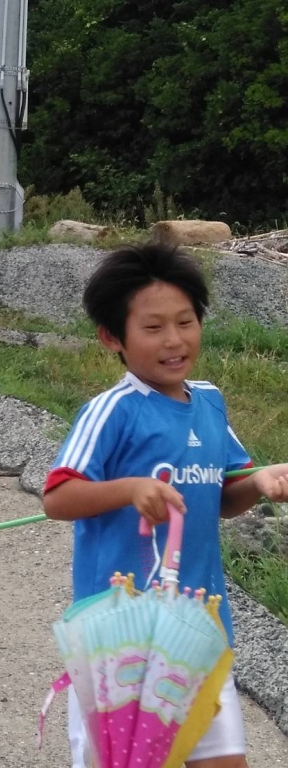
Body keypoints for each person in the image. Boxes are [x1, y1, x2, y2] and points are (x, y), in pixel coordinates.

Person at [42, 244, 288, 768]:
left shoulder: (210, 403)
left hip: (197, 634)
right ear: (113, 338)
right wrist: (129, 489)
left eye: (186, 321)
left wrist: (260, 480)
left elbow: (222, 497)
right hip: (121, 646)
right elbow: (58, 497)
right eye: (153, 328)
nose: (175, 340)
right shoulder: (112, 411)